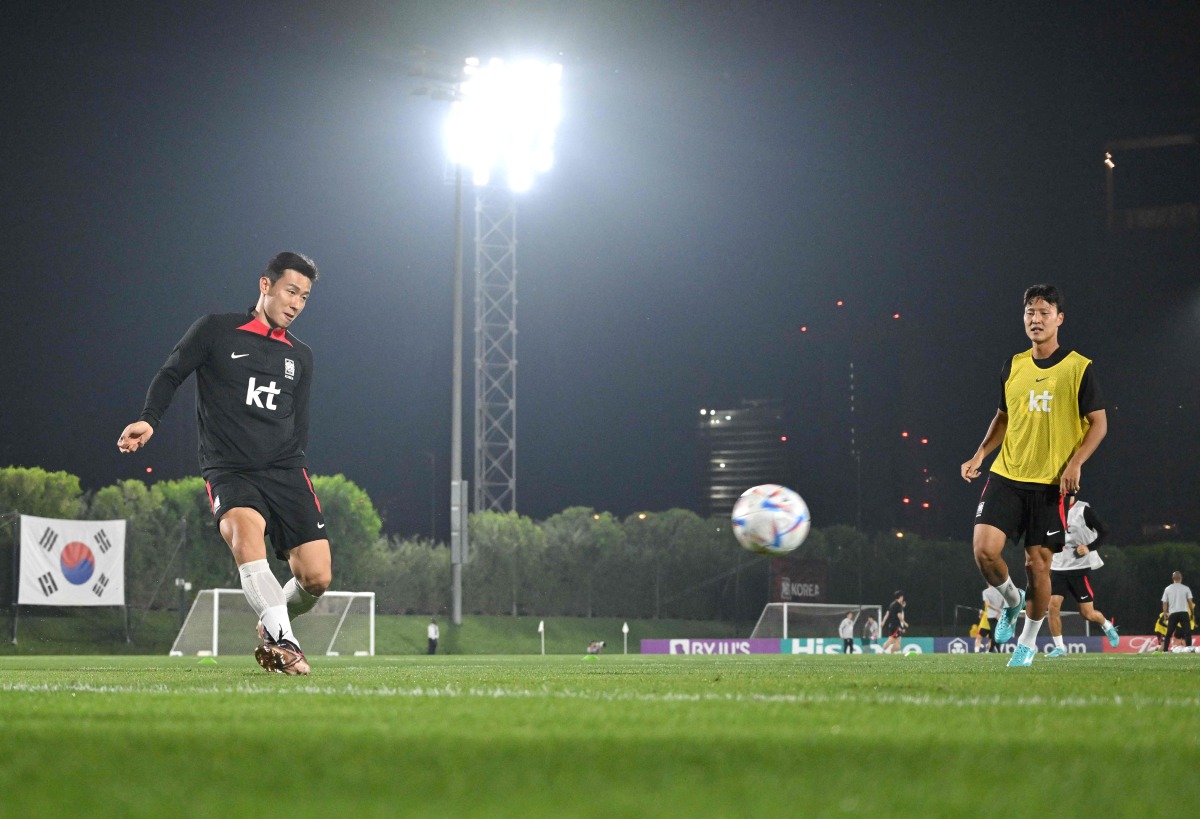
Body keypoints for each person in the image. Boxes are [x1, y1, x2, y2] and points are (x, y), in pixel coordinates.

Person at [118, 252, 329, 676]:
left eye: (304, 297)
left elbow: (299, 423)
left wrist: (295, 471)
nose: (296, 303)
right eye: (291, 291)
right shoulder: (216, 330)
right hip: (230, 469)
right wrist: (148, 419)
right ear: (265, 285)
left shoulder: (301, 356)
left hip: (287, 472)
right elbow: (171, 372)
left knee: (317, 579)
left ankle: (273, 619)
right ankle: (284, 645)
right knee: (247, 541)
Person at [961, 284, 1107, 668]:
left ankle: (1027, 643)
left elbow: (1099, 424)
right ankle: (1010, 601)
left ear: (1059, 319)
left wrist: (1076, 463)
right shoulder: (1013, 365)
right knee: (984, 552)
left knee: (1037, 567)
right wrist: (979, 454)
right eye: (1030, 312)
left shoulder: (1079, 368)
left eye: (1044, 312)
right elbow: (1004, 417)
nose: (1035, 319)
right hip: (1007, 474)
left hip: (1050, 485)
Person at [1046, 496, 1119, 657]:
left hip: (1079, 569)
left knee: (1087, 614)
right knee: (1052, 607)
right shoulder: (1050, 509)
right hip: (1058, 568)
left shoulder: (1083, 510)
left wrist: (1089, 547)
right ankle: (1060, 648)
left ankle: (1106, 625)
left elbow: (1104, 531)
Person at [1161, 571, 1195, 652]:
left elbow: (1164, 603)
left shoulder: (1168, 589)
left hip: (1173, 613)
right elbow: (1190, 602)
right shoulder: (1186, 588)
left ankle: (1165, 650)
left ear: (1172, 578)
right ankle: (1189, 649)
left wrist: (1165, 614)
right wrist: (1192, 613)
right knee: (1187, 632)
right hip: (1183, 613)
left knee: (1169, 633)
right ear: (1181, 578)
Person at [980, 586, 1004, 652]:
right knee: (996, 634)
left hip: (991, 616)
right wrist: (1000, 612)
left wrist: (997, 610)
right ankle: (997, 651)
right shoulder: (1001, 591)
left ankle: (991, 650)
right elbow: (1004, 603)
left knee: (994, 635)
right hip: (1000, 616)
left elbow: (987, 604)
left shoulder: (985, 592)